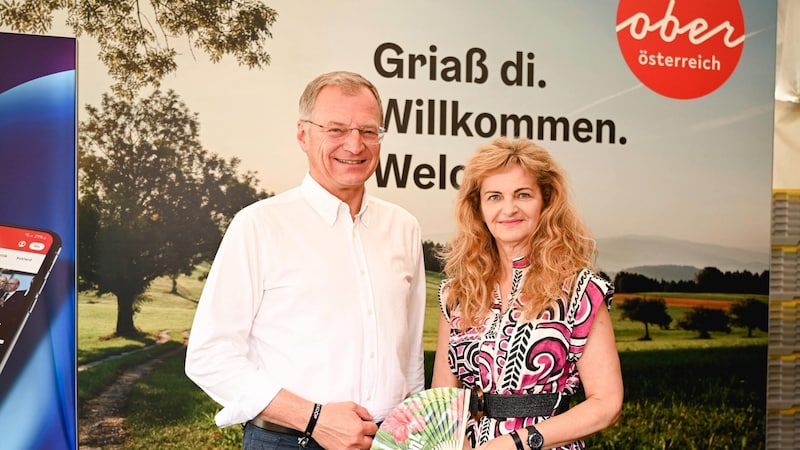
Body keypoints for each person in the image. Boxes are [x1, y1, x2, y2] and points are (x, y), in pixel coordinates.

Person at [185, 71, 426, 450]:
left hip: (390, 441)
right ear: (303, 134)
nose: (355, 144)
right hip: (288, 442)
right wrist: (315, 419)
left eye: (368, 130)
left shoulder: (403, 227)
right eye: (336, 129)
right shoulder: (259, 225)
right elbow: (208, 356)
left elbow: (409, 355)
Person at [431, 137, 623, 450]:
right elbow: (442, 400)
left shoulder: (581, 289)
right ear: (478, 208)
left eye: (523, 194)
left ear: (546, 202)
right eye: (494, 196)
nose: (509, 209)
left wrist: (516, 444)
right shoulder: (457, 293)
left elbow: (607, 404)